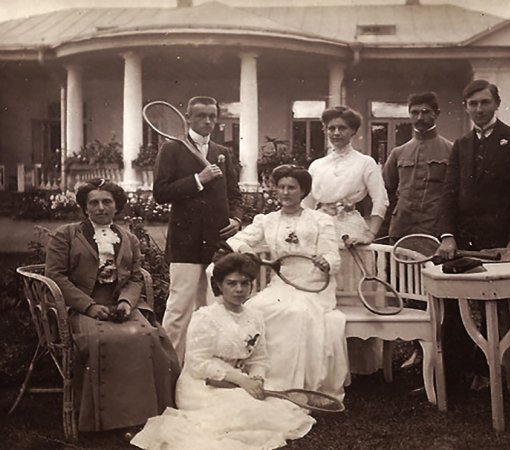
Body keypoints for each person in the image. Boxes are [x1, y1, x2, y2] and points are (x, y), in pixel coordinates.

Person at [131, 253, 315, 449]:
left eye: (245, 283)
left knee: (269, 406)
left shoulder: (256, 317)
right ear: (219, 285)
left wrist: (257, 378)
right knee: (243, 411)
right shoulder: (205, 317)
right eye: (231, 283)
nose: (239, 289)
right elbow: (197, 363)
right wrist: (241, 380)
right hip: (201, 385)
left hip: (238, 379)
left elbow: (259, 358)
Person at [45, 178, 179, 433]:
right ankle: (106, 420)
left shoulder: (128, 238)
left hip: (119, 302)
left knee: (148, 336)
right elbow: (56, 275)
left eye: (107, 202)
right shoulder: (66, 235)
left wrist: (127, 303)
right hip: (80, 305)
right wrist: (89, 306)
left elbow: (136, 277)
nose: (100, 208)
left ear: (116, 206)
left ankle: (145, 414)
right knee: (103, 339)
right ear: (84, 207)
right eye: (93, 202)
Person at [435, 79, 510, 390]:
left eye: (485, 102)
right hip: (464, 242)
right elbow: (449, 194)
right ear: (466, 107)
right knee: (455, 307)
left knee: (496, 309)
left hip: (501, 243)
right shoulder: (461, 144)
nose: (479, 109)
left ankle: (491, 374)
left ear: (496, 103)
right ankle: (453, 376)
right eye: (473, 104)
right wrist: (447, 235)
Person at [227, 164, 349, 400]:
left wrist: (325, 262)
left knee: (295, 313)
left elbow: (333, 257)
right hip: (281, 284)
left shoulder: (320, 220)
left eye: (291, 187)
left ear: (303, 191)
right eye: (281, 187)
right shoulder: (267, 220)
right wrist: (246, 249)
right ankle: (259, 377)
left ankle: (289, 385)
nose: (285, 192)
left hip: (314, 286)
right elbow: (236, 240)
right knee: (255, 308)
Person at [153, 96, 243, 363]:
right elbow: (160, 192)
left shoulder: (221, 151)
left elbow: (234, 194)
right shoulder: (172, 149)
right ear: (188, 118)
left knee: (212, 309)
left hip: (217, 244)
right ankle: (170, 371)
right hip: (186, 243)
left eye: (212, 116)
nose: (207, 121)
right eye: (201, 116)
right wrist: (197, 180)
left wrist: (237, 219)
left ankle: (205, 368)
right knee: (179, 310)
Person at [302, 105, 389, 375]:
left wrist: (370, 233)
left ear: (353, 131)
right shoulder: (317, 165)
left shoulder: (365, 162)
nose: (336, 132)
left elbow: (381, 200)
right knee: (320, 290)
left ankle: (358, 365)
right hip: (320, 228)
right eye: (331, 128)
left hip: (351, 230)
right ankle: (324, 365)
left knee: (352, 292)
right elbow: (307, 202)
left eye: (342, 128)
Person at [383, 91, 454, 241]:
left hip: (434, 229)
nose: (420, 117)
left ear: (436, 114)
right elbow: (387, 191)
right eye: (414, 112)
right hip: (401, 229)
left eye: (425, 112)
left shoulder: (451, 151)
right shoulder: (398, 153)